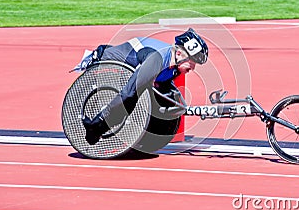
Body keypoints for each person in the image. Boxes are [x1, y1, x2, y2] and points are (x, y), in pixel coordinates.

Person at [81, 28, 209, 145]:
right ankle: (100, 123)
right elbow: (129, 93)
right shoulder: (156, 59)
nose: (193, 67)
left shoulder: (173, 69)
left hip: (125, 74)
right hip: (103, 66)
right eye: (191, 62)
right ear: (179, 54)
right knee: (132, 96)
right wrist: (98, 125)